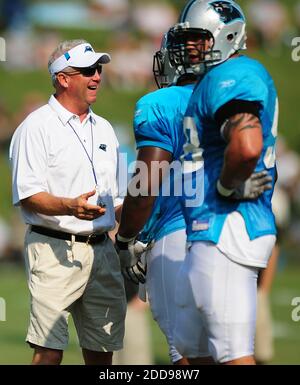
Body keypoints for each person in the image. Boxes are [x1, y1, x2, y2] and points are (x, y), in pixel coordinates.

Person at [114, 28, 271, 365]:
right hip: (236, 229)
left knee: (187, 357)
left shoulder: (161, 102)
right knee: (229, 349)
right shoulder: (229, 94)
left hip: (178, 231)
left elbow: (146, 182)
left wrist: (126, 239)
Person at [167, 0, 277, 365]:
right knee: (193, 354)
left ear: (228, 35)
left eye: (199, 38)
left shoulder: (232, 74)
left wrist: (227, 187)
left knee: (233, 356)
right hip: (209, 229)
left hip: (226, 228)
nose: (190, 48)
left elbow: (247, 146)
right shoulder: (214, 79)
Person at [9, 39, 126, 365]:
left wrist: (143, 207)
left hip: (102, 250)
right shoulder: (35, 127)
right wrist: (69, 206)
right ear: (62, 78)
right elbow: (28, 196)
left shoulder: (105, 129)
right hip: (53, 249)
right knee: (48, 353)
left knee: (103, 355)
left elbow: (116, 200)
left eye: (99, 69)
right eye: (88, 70)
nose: (97, 76)